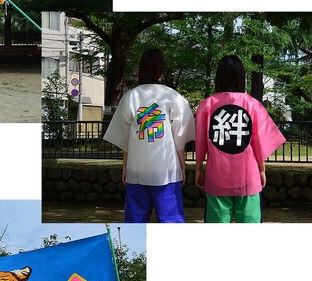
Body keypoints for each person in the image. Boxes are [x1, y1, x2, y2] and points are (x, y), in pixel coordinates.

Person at [104, 49, 195, 223]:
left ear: (141, 69)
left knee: (135, 220)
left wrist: (125, 166)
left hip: (136, 168)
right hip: (167, 170)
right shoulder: (173, 97)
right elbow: (179, 137)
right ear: (162, 70)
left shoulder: (131, 96)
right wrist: (182, 165)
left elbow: (125, 138)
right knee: (171, 220)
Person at [195, 55, 286, 222]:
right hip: (248, 177)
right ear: (241, 78)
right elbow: (259, 143)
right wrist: (262, 170)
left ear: (218, 77)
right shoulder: (253, 104)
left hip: (217, 177)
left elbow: (201, 142)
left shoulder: (207, 104)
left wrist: (198, 169)